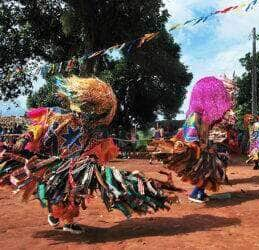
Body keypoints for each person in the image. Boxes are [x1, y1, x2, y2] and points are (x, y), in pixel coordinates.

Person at [0, 76, 170, 234]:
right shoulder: (57, 116)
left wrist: (93, 161)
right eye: (92, 111)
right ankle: (58, 214)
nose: (92, 116)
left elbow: (98, 151)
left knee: (74, 192)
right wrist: (24, 138)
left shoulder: (93, 132)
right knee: (55, 192)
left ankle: (66, 219)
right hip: (48, 163)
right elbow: (37, 128)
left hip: (73, 168)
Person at [149, 76, 237, 203]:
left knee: (210, 171)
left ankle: (198, 193)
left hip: (203, 148)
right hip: (196, 150)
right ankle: (197, 194)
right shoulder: (196, 115)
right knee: (207, 171)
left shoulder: (202, 115)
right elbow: (191, 135)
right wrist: (200, 147)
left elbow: (204, 133)